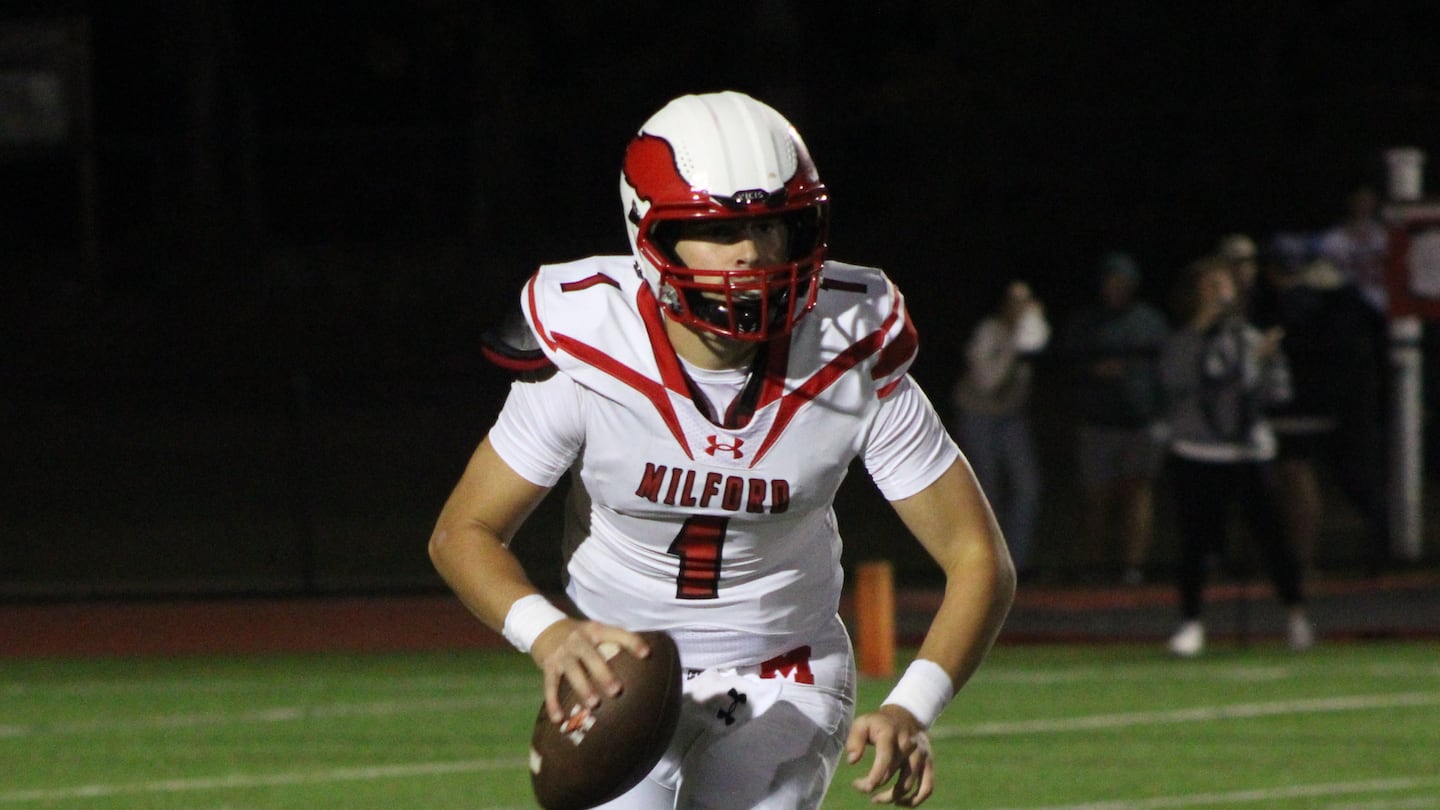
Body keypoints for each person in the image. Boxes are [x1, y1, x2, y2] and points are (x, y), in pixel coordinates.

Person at [428, 91, 1015, 808]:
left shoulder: (849, 348)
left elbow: (977, 558)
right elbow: (464, 531)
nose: (752, 252)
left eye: (772, 225)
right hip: (621, 675)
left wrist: (911, 707)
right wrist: (549, 634)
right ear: (652, 235)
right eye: (720, 228)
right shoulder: (588, 347)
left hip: (785, 672)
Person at [1159, 256, 1314, 658]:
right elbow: (1178, 382)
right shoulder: (1181, 340)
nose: (1218, 294)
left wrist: (1264, 362)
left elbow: (1276, 394)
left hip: (1246, 453)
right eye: (1208, 287)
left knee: (1271, 536)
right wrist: (1205, 330)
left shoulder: (1248, 338)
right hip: (1198, 451)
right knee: (1196, 543)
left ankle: (1296, 614)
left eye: (1222, 286)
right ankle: (1191, 623)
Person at [1252, 233, 1390, 575]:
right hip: (1312, 403)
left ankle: (1303, 559)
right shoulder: (1292, 300)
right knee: (1287, 478)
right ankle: (1294, 558)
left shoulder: (1319, 301)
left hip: (1313, 404)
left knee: (1300, 475)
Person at [1057, 252, 1169, 585]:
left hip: (1142, 422)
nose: (1117, 288)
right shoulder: (1086, 322)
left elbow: (1167, 369)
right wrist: (1094, 370)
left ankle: (1134, 567)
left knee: (1138, 494)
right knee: (1097, 498)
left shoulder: (1149, 320)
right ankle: (1095, 566)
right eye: (1111, 281)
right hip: (1098, 422)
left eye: (1123, 282)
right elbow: (1066, 364)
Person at [951, 280, 1050, 577]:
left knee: (1028, 486)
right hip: (979, 415)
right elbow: (989, 384)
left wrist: (1030, 337)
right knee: (987, 489)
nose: (1022, 308)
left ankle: (1016, 565)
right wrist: (1014, 348)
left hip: (1011, 418)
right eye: (1015, 301)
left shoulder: (1030, 333)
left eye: (1027, 301)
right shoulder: (989, 332)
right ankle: (986, 566)